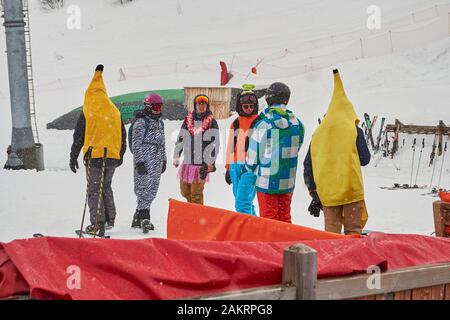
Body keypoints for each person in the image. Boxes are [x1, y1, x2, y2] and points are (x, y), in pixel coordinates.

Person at [303, 69, 370, 235]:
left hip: (328, 195)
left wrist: (314, 194)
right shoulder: (354, 130)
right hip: (351, 192)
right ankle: (353, 261)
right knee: (353, 233)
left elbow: (308, 165)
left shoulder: (318, 133)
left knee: (330, 236)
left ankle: (332, 261)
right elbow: (365, 159)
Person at [70, 64, 126, 236]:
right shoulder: (114, 111)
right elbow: (122, 135)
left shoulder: (88, 111)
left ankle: (97, 224)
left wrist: (73, 156)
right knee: (105, 186)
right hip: (111, 156)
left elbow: (78, 136)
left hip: (94, 156)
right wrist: (120, 155)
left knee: (94, 190)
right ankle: (110, 219)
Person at [245, 82, 304, 223]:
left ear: (269, 99)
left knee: (268, 220)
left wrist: (249, 168)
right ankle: (287, 243)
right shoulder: (297, 124)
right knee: (284, 218)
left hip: (267, 181)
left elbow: (253, 155)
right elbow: (297, 147)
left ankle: (272, 244)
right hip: (287, 180)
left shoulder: (264, 124)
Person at [173, 94, 219, 205]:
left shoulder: (212, 122)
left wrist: (210, 163)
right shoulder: (188, 119)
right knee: (185, 191)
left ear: (207, 106)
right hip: (188, 161)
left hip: (201, 164)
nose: (201, 106)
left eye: (204, 104)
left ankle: (197, 218)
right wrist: (177, 154)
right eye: (199, 103)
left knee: (196, 194)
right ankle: (192, 212)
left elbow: (215, 144)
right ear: (195, 105)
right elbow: (181, 137)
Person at [130, 93, 167, 232]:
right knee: (142, 187)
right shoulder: (140, 123)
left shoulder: (160, 123)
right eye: (155, 107)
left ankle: (138, 216)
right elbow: (136, 144)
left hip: (156, 160)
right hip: (145, 160)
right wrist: (139, 162)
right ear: (147, 107)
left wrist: (164, 160)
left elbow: (162, 143)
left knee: (153, 188)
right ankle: (145, 217)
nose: (158, 110)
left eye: (160, 107)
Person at [224, 84, 260, 215]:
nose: (249, 109)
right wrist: (228, 168)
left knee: (242, 203)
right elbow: (230, 146)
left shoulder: (260, 122)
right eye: (246, 106)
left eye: (251, 106)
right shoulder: (236, 123)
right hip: (235, 165)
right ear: (240, 106)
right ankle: (254, 226)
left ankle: (249, 231)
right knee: (243, 200)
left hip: (251, 166)